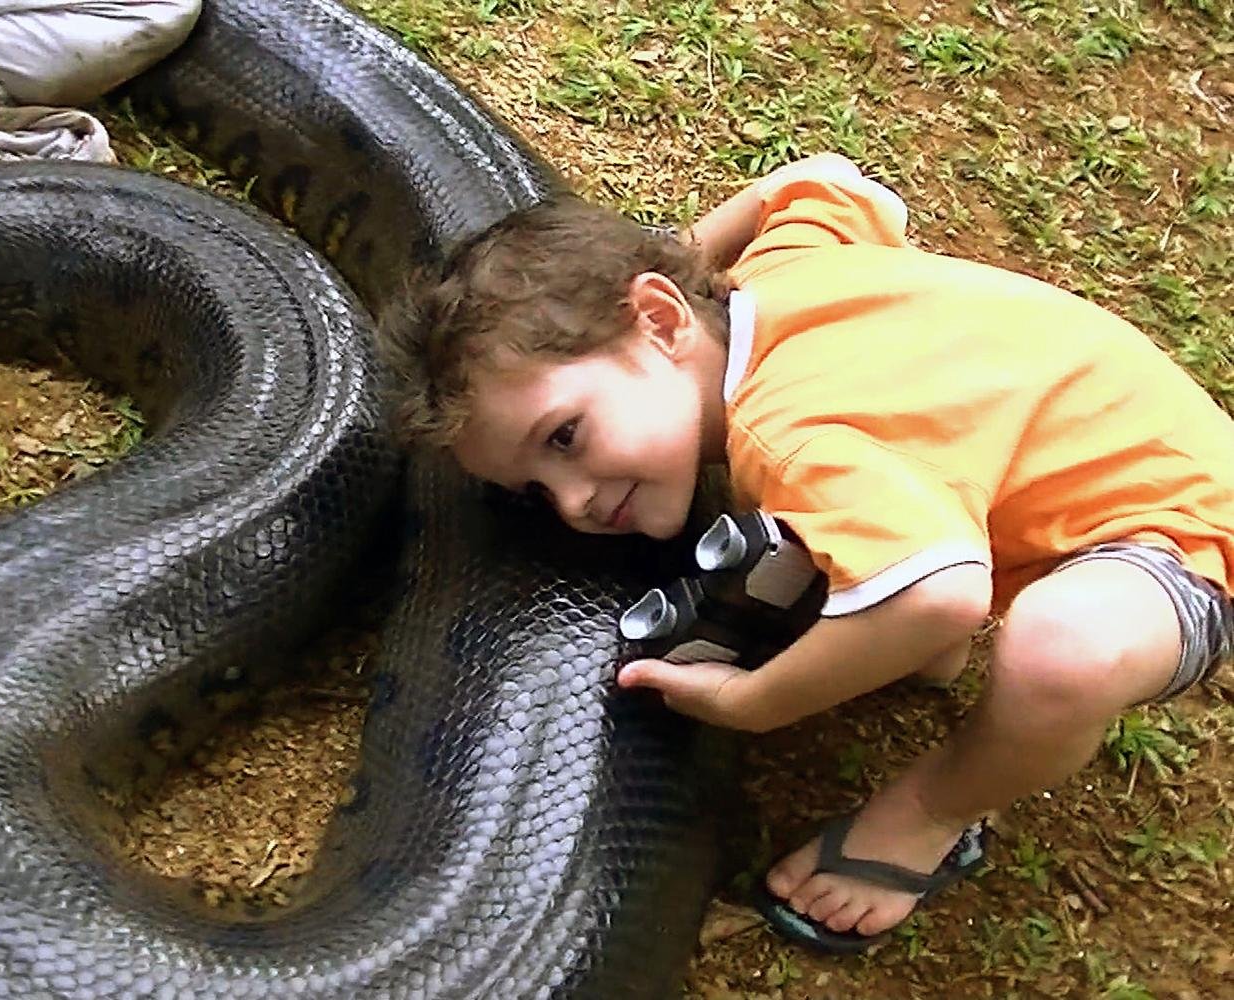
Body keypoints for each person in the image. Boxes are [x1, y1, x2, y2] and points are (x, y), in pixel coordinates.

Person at [376, 153, 1234, 954]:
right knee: (875, 555)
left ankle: (931, 814)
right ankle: (904, 590)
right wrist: (684, 256)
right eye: (535, 489)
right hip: (1089, 458)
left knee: (1058, 652)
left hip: (1181, 534)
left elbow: (943, 597)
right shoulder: (775, 277)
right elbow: (824, 179)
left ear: (663, 320)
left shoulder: (785, 436)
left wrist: (758, 701)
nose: (573, 504)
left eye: (564, 436)